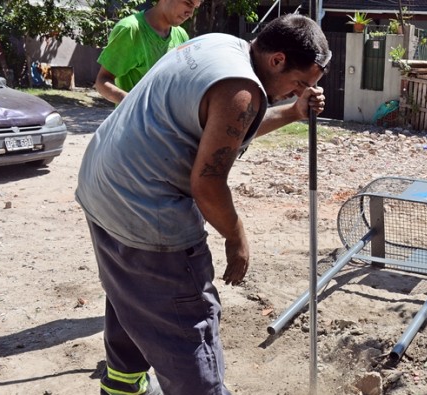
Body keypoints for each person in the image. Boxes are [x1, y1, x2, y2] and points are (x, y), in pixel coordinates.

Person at [76, 14, 330, 395]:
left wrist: (293, 113)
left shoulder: (218, 46)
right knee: (185, 316)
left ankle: (122, 383)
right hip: (146, 209)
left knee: (131, 289)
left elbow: (224, 126)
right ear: (277, 60)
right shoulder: (241, 90)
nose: (299, 92)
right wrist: (236, 237)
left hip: (103, 187)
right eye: (299, 84)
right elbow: (207, 183)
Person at [94, 0, 200, 104]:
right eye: (188, 3)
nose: (190, 14)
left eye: (195, 7)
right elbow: (102, 81)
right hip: (136, 120)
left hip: (167, 120)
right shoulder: (131, 30)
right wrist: (136, 105)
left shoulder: (182, 35)